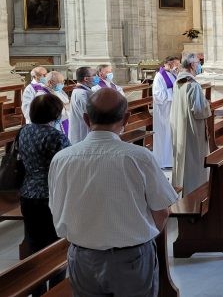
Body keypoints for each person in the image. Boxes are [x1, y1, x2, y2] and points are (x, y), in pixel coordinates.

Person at [49, 89, 178, 297]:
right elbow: (162, 212)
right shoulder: (139, 157)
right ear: (126, 118)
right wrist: (140, 239)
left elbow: (56, 208)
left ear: (86, 119)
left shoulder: (61, 159)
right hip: (131, 257)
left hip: (83, 257)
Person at [19, 95, 70, 258]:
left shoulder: (24, 131)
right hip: (50, 194)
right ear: (55, 113)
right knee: (54, 245)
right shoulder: (56, 136)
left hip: (27, 191)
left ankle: (34, 273)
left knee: (34, 242)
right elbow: (67, 165)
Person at [170, 53, 212, 196]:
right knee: (193, 160)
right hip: (192, 129)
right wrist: (207, 105)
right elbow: (199, 111)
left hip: (181, 126)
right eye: (199, 63)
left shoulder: (178, 82)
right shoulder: (193, 85)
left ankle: (181, 190)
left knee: (183, 160)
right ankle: (195, 192)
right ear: (192, 65)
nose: (199, 65)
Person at [152, 56, 179, 168]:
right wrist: (172, 93)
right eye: (176, 64)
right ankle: (163, 161)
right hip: (163, 112)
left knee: (171, 134)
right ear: (169, 63)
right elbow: (157, 95)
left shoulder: (173, 74)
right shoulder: (159, 76)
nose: (177, 66)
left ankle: (171, 160)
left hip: (172, 109)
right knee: (164, 135)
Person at [68, 67, 96, 145]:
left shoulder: (83, 91)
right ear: (86, 79)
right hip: (83, 134)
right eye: (94, 75)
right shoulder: (81, 94)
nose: (97, 77)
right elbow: (89, 114)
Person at [38, 71, 69, 135]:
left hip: (63, 121)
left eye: (63, 82)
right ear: (50, 82)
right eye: (60, 82)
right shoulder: (42, 94)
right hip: (51, 125)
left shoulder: (58, 91)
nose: (62, 84)